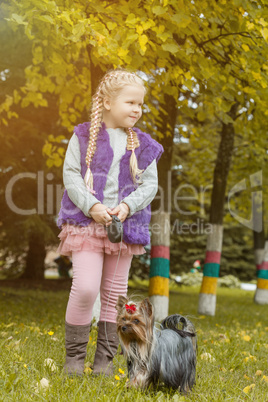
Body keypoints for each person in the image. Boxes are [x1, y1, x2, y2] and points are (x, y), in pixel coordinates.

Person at [56, 69, 164, 376]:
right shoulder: (82, 136)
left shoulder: (145, 146)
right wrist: (92, 206)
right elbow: (71, 175)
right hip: (87, 224)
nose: (136, 109)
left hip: (124, 229)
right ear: (106, 102)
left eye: (140, 104)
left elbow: (149, 186)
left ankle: (104, 362)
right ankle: (74, 359)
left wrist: (128, 206)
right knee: (87, 287)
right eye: (130, 102)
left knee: (115, 295)